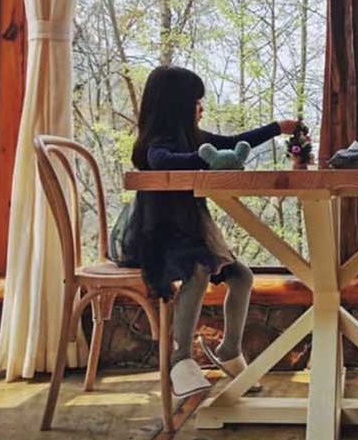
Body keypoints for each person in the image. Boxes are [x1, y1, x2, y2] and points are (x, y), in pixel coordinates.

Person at [127, 65, 298, 396]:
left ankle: (229, 350)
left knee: (242, 278)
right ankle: (180, 359)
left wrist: (277, 128)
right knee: (199, 271)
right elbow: (160, 161)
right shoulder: (159, 142)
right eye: (195, 101)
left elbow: (234, 142)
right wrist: (206, 160)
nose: (200, 107)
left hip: (192, 232)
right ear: (176, 106)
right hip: (160, 235)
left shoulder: (194, 138)